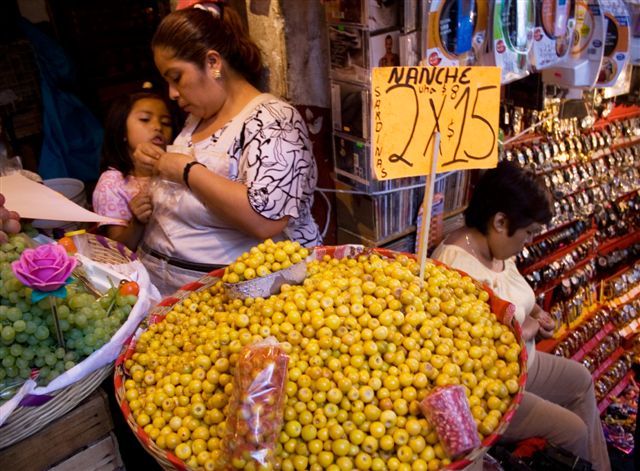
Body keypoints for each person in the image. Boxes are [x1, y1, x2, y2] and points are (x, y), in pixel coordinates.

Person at [431, 161, 611, 471]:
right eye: (528, 233)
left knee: (581, 379)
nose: (528, 241)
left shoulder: (499, 248)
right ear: (500, 221)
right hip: (495, 388)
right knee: (573, 431)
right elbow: (466, 353)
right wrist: (523, 330)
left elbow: (514, 294)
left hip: (527, 363)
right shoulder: (455, 268)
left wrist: (539, 315)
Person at [133, 5, 321, 294]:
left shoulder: (274, 120)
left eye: (176, 77)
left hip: (228, 298)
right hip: (165, 288)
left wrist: (185, 171)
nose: (171, 93)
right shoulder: (196, 120)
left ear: (213, 63)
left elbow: (264, 220)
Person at [92, 90, 175, 250]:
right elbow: (118, 248)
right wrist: (136, 222)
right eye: (145, 119)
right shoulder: (111, 184)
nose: (158, 127)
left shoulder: (174, 169)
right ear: (122, 130)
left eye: (166, 122)